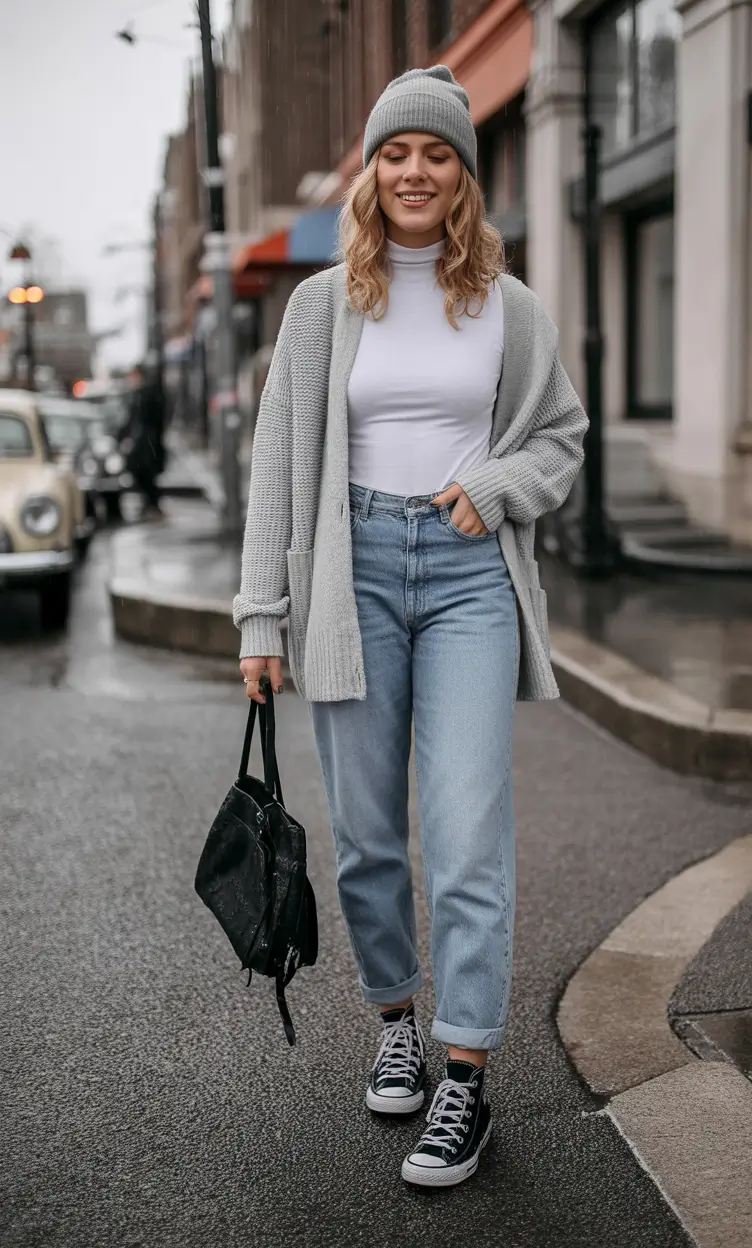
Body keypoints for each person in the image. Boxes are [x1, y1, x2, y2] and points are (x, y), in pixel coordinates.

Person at [233, 66, 588, 1188]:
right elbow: (277, 469)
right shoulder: (323, 305)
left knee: (468, 831)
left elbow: (561, 441)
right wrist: (260, 616)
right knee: (372, 837)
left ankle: (466, 1074)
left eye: (437, 154)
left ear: (463, 176)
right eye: (397, 153)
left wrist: (496, 487)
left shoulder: (509, 305)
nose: (416, 171)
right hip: (353, 574)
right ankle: (395, 1019)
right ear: (373, 173)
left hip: (471, 575)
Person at [125, 364, 166, 519]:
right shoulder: (138, 395)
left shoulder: (147, 394)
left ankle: (153, 505)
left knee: (146, 474)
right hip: (143, 444)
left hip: (147, 445)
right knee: (140, 474)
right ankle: (150, 504)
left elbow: (150, 420)